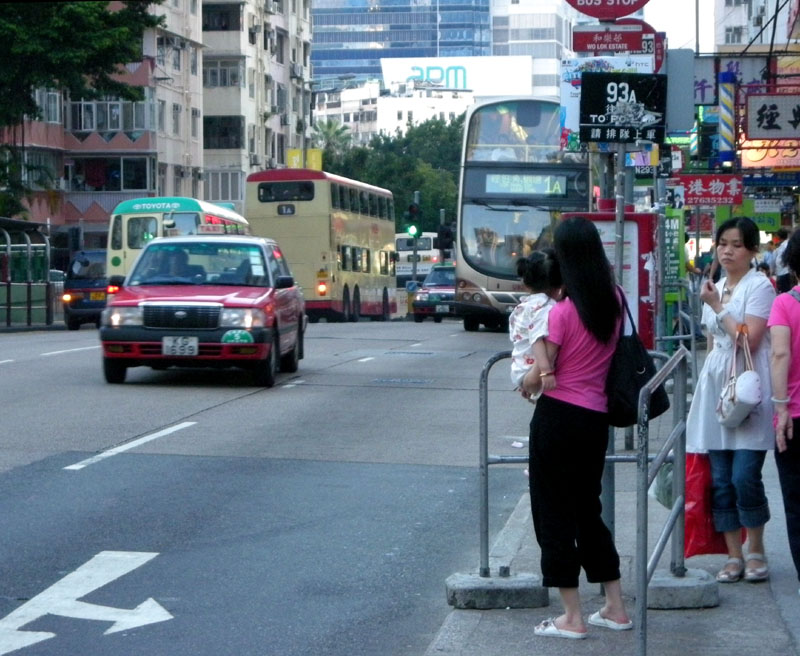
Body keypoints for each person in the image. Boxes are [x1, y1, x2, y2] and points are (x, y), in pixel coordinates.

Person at [521, 217, 630, 639]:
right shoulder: (616, 301)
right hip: (594, 420)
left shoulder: (561, 315)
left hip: (557, 418)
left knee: (553, 513)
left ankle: (571, 616)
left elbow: (536, 376)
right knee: (588, 510)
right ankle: (615, 606)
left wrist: (527, 381)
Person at [686, 217, 775, 583]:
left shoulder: (759, 287)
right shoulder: (716, 285)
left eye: (737, 245)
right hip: (717, 385)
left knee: (744, 475)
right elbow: (713, 341)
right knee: (720, 477)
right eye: (723, 243)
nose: (727, 251)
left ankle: (756, 548)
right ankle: (733, 554)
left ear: (752, 250)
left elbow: (748, 338)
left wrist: (718, 308)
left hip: (748, 385)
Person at [767, 228, 800, 595]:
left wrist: (781, 409)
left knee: (796, 501)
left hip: (795, 415)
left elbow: (780, 355)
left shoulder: (785, 304)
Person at [508, 249, 562, 393]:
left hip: (521, 368)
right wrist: (546, 372)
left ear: (526, 282)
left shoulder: (525, 306)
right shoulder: (544, 307)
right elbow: (536, 339)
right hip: (532, 369)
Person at [773, 228, 792, 293]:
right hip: (782, 272)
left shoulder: (786, 245)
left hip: (786, 272)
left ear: (779, 236)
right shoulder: (782, 245)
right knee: (784, 292)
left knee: (786, 292)